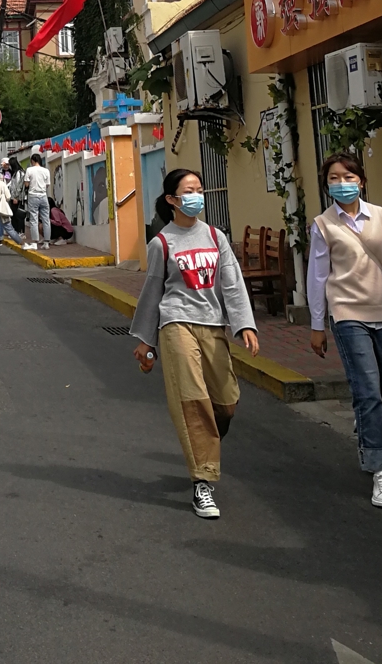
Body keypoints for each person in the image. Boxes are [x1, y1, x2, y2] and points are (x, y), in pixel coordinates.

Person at [129, 168, 259, 520]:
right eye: (189, 190)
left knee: (226, 403)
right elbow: (153, 291)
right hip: (176, 324)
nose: (196, 196)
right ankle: (202, 483)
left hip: (213, 324)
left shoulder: (216, 237)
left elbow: (231, 284)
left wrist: (245, 325)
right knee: (193, 401)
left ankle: (206, 445)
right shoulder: (162, 243)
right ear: (172, 199)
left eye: (199, 189)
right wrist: (146, 340)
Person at [307, 150, 382, 510]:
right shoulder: (323, 225)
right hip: (347, 314)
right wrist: (317, 325)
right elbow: (317, 277)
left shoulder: (381, 216)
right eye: (334, 178)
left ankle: (367, 429)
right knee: (368, 391)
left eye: (349, 177)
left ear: (361, 181)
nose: (342, 184)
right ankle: (381, 470)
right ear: (327, 184)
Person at [24, 152, 52, 251]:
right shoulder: (46, 170)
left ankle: (35, 242)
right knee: (46, 219)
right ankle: (47, 242)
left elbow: (26, 184)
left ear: (32, 161)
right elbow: (47, 185)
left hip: (33, 195)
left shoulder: (29, 170)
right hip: (43, 195)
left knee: (34, 219)